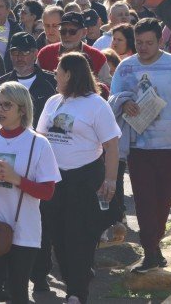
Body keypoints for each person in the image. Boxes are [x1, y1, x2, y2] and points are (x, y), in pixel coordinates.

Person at [36, 52, 120, 303]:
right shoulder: (53, 102)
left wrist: (111, 180)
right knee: (58, 236)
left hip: (84, 179)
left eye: (57, 72)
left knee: (78, 236)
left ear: (70, 74)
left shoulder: (96, 104)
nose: (54, 76)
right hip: (54, 179)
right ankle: (77, 277)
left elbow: (112, 146)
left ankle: (77, 292)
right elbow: (40, 137)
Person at [0, 82, 60, 304]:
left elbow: (47, 192)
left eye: (6, 105)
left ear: (22, 109)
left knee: (18, 294)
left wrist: (15, 179)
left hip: (24, 232)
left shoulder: (39, 143)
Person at [111, 18, 171, 272]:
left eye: (149, 43)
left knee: (164, 198)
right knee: (144, 200)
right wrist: (124, 103)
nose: (143, 47)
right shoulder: (125, 67)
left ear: (160, 41)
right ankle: (150, 250)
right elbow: (112, 98)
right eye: (139, 43)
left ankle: (154, 244)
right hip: (138, 146)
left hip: (169, 144)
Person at [37, 11, 110, 84]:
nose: (67, 35)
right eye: (63, 31)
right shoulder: (45, 54)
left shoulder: (97, 57)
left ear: (84, 32)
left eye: (72, 32)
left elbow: (107, 87)